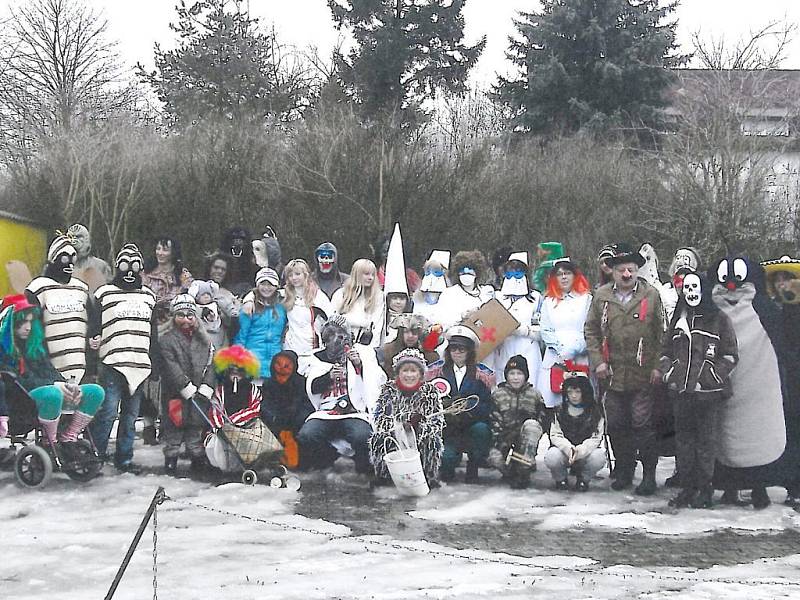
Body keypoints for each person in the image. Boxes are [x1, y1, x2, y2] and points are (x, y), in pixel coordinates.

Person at [709, 256, 791, 509]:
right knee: (725, 436)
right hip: (723, 383)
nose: (731, 288)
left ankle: (759, 485)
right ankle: (729, 485)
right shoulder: (711, 310)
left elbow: (785, 340)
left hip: (758, 384)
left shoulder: (765, 311)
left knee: (757, 435)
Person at [584, 242, 664, 495]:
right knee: (617, 424)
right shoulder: (602, 296)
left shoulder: (651, 295)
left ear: (637, 270)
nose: (626, 275)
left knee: (643, 425)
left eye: (631, 270)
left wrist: (658, 366)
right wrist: (598, 361)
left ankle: (649, 475)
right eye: (621, 271)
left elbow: (662, 334)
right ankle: (624, 470)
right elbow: (591, 331)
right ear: (613, 272)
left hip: (642, 374)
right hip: (612, 374)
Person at [658, 272, 738, 509]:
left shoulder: (719, 319)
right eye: (686, 288)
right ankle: (687, 486)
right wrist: (670, 374)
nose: (691, 292)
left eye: (695, 287)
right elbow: (665, 352)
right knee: (683, 441)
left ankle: (705, 488)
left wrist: (709, 378)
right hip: (681, 392)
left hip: (708, 394)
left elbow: (730, 355)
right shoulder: (678, 319)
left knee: (706, 441)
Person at [0, 294, 104, 455]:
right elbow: (15, 381)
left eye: (30, 322)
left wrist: (67, 387)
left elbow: (50, 371)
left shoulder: (35, 346)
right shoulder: (3, 351)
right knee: (53, 393)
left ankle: (69, 436)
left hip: (44, 394)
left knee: (95, 391)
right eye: (22, 322)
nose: (28, 327)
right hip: (20, 403)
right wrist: (55, 386)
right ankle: (49, 442)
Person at [89, 244, 157, 473]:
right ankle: (95, 455)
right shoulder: (104, 293)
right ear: (118, 266)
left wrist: (153, 363)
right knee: (108, 412)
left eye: (135, 266)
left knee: (130, 415)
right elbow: (94, 326)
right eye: (125, 265)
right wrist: (93, 343)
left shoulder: (148, 296)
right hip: (112, 362)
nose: (130, 271)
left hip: (138, 363)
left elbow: (153, 332)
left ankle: (124, 457)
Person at [296, 316, 386, 473]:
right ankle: (324, 465)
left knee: (363, 435)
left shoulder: (363, 354)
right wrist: (327, 377)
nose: (337, 345)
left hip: (354, 411)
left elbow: (378, 380)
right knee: (307, 435)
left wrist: (359, 365)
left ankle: (364, 472)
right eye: (331, 340)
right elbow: (312, 388)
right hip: (325, 412)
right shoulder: (315, 359)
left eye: (342, 338)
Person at [426, 325, 494, 483]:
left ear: (469, 351)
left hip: (471, 425)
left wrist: (468, 409)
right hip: (447, 428)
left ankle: (474, 465)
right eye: (454, 348)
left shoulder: (481, 374)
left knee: (482, 430)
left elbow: (486, 404)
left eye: (462, 349)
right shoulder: (437, 372)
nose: (457, 352)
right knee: (446, 459)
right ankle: (447, 466)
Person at [158, 294, 216, 476]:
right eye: (180, 315)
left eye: (190, 316)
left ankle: (197, 457)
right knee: (174, 426)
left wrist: (207, 386)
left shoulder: (205, 341)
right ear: (174, 317)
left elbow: (211, 365)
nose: (185, 320)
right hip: (176, 392)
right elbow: (170, 366)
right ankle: (171, 458)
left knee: (195, 426)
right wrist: (185, 385)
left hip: (199, 392)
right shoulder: (166, 340)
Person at [369, 348, 444, 487]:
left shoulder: (430, 391)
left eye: (413, 371)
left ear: (420, 374)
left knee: (432, 440)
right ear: (398, 373)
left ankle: (428, 476)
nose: (409, 375)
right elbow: (379, 418)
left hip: (420, 438)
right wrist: (400, 425)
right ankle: (384, 476)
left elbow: (437, 422)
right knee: (378, 438)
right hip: (394, 436)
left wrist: (420, 426)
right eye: (405, 370)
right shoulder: (388, 390)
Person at [761, 255, 800, 507]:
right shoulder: (773, 309)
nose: (782, 284)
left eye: (787, 279)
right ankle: (793, 485)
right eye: (778, 280)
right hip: (783, 376)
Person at [25, 235, 90, 385]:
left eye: (73, 258)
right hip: (49, 369)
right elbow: (31, 329)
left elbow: (91, 323)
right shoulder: (38, 288)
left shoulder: (81, 288)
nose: (70, 264)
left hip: (81, 367)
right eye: (65, 258)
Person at [538, 258, 592, 408]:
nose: (563, 277)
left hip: (580, 356)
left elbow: (591, 329)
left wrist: (574, 350)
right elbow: (546, 329)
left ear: (574, 276)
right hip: (556, 357)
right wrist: (560, 351)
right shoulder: (548, 301)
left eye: (567, 273)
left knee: (580, 398)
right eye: (559, 274)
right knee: (553, 401)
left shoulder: (586, 299)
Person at [488, 355, 548, 489]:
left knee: (532, 427)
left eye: (519, 373)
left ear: (525, 375)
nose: (515, 377)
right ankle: (509, 472)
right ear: (506, 375)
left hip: (525, 437)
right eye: (512, 373)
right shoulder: (498, 394)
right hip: (504, 436)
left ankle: (523, 469)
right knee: (494, 458)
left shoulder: (535, 394)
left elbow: (542, 419)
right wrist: (500, 439)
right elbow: (493, 419)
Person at [204, 345, 264, 472]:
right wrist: (221, 427)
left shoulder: (252, 390)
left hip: (247, 429)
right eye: (232, 370)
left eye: (240, 370)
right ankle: (224, 467)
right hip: (224, 431)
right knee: (217, 444)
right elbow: (215, 409)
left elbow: (255, 409)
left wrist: (236, 421)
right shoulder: (221, 390)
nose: (235, 373)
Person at [544, 373, 606, 491]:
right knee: (552, 456)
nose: (573, 396)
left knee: (599, 457)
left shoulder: (595, 412)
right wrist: (568, 448)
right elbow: (555, 434)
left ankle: (584, 479)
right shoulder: (559, 410)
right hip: (565, 452)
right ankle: (560, 479)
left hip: (585, 452)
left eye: (577, 392)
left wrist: (581, 450)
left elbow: (596, 438)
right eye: (570, 392)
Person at [492, 251, 542, 386]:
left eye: (518, 272)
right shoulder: (497, 297)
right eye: (509, 273)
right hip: (504, 347)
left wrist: (523, 330)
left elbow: (542, 330)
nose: (513, 277)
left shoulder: (536, 298)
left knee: (530, 383)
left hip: (528, 347)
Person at [260, 350, 313, 468]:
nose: (281, 369)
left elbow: (307, 405)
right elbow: (265, 405)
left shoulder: (302, 383)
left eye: (287, 365)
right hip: (276, 423)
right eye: (278, 364)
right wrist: (274, 418)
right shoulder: (268, 384)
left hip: (296, 424)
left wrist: (294, 419)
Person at [234, 268, 288, 382]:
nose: (266, 288)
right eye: (263, 284)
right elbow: (241, 336)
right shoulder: (249, 307)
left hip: (276, 364)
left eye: (271, 284)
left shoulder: (282, 306)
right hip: (253, 364)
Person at [282, 258, 332, 356]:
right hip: (290, 349)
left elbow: (331, 319)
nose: (294, 278)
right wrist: (248, 300)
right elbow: (263, 294)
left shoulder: (318, 295)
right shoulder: (284, 294)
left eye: (297, 274)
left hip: (313, 349)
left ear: (305, 274)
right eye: (290, 275)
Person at [435, 251, 494, 330]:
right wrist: (462, 316)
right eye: (462, 273)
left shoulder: (486, 293)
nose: (466, 275)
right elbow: (441, 321)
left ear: (476, 273)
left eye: (470, 273)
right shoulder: (449, 294)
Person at [331, 259, 384, 346]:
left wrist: (371, 350)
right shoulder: (340, 294)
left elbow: (376, 326)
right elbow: (332, 321)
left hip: (366, 346)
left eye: (373, 275)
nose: (370, 278)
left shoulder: (378, 296)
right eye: (366, 274)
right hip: (341, 345)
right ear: (357, 274)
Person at [141, 237, 194, 316]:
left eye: (165, 250)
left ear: (173, 252)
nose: (160, 253)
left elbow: (190, 298)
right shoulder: (145, 273)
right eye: (158, 249)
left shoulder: (183, 275)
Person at [376, 313, 439, 378]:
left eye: (414, 332)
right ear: (400, 334)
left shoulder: (430, 356)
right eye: (406, 332)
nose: (410, 336)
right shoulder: (385, 351)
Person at [67, 223, 112, 293]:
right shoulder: (61, 268)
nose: (74, 240)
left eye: (78, 236)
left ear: (86, 239)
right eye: (71, 237)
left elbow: (109, 292)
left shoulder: (101, 266)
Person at [411, 250, 450, 326]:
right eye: (428, 271)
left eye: (436, 272)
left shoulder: (450, 297)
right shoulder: (416, 298)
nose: (431, 276)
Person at [188, 280, 229, 349]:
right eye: (203, 295)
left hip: (218, 332)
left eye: (208, 294)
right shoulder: (194, 307)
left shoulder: (217, 305)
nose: (206, 296)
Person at [219, 226, 257, 298]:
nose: (238, 241)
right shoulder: (221, 257)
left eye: (241, 239)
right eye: (235, 238)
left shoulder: (251, 257)